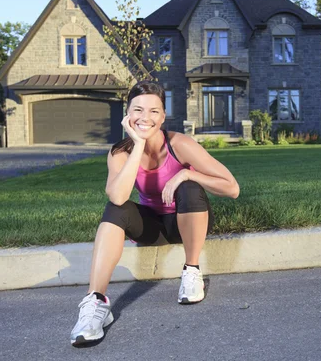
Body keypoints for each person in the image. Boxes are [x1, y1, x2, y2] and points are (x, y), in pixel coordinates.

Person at [70, 81, 240, 345]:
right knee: (116, 207)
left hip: (189, 220)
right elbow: (118, 197)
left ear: (162, 117)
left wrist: (185, 173)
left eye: (153, 111)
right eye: (138, 110)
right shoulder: (119, 152)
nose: (145, 117)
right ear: (127, 114)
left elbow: (232, 188)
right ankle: (96, 304)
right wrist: (137, 145)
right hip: (152, 228)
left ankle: (192, 270)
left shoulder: (180, 144)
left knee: (191, 185)